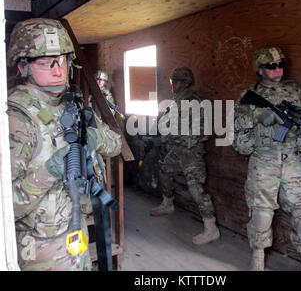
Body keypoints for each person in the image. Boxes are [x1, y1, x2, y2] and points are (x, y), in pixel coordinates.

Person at [7, 18, 122, 271]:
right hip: (40, 252)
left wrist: (93, 138)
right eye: (46, 63)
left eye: (62, 61)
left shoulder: (70, 105)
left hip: (76, 238)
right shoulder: (16, 118)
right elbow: (6, 207)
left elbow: (115, 145)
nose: (58, 70)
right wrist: (49, 171)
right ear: (22, 67)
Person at [232, 46, 301, 271]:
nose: (277, 69)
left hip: (294, 160)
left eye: (280, 64)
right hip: (263, 161)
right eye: (271, 66)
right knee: (261, 210)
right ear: (260, 69)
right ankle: (258, 256)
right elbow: (236, 128)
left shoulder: (295, 91)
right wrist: (258, 116)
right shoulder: (249, 96)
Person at [149, 67, 220, 245]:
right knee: (165, 171)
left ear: (183, 82)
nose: (172, 85)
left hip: (190, 152)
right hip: (177, 150)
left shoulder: (193, 102)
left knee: (196, 188)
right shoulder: (178, 100)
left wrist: (176, 136)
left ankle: (211, 228)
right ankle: (168, 203)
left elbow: (200, 131)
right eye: (172, 82)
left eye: (174, 82)